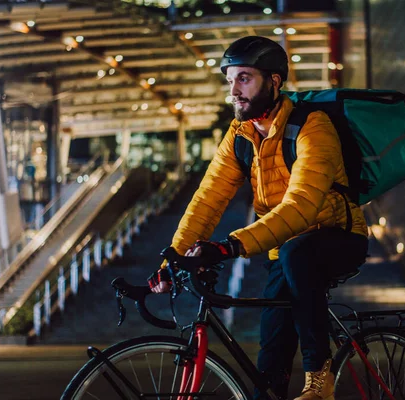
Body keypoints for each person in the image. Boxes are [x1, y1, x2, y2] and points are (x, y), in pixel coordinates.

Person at [148, 36, 368, 400]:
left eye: (244, 78)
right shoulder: (240, 135)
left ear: (274, 81)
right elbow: (208, 199)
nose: (234, 90)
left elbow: (301, 206)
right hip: (284, 250)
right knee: (269, 364)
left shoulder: (312, 126)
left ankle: (319, 377)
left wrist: (230, 246)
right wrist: (173, 257)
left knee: (298, 254)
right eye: (230, 80)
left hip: (337, 236)